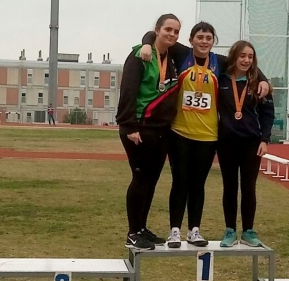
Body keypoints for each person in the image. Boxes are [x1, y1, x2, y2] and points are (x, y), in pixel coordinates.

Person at [140, 21, 270, 248]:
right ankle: (174, 232)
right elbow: (155, 34)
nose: (204, 41)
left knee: (197, 184)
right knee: (180, 182)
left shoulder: (220, 62)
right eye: (200, 37)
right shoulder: (181, 54)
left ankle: (194, 231)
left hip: (208, 135)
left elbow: (247, 63)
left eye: (209, 38)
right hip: (179, 131)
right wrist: (146, 45)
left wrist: (264, 81)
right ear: (191, 40)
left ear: (213, 42)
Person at [115, 14, 181, 250]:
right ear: (157, 30)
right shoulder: (140, 55)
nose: (172, 35)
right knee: (141, 178)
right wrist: (130, 126)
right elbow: (128, 91)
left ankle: (142, 228)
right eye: (168, 30)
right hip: (139, 129)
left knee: (151, 180)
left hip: (161, 130)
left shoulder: (173, 54)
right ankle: (133, 232)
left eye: (176, 31)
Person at [216, 40, 274, 247]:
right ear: (234, 56)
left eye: (250, 56)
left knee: (249, 187)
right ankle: (230, 230)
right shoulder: (221, 78)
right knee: (229, 187)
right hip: (226, 142)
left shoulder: (257, 82)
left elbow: (268, 113)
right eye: (242, 55)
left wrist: (265, 139)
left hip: (251, 143)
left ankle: (248, 231)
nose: (246, 60)